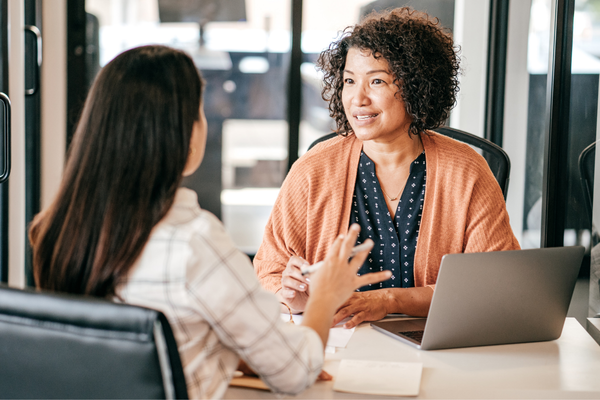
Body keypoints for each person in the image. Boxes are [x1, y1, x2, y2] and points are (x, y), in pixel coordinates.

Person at [28, 45, 390, 399]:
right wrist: (325, 296)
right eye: (199, 112)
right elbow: (296, 372)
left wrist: (238, 353)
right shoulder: (194, 242)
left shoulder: (56, 230)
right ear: (182, 135)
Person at [254, 7, 520, 329]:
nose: (357, 98)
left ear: (415, 85)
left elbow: (492, 284)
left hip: (436, 342)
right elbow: (270, 271)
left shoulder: (466, 170)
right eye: (349, 81)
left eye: (376, 80)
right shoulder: (313, 169)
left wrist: (390, 301)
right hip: (335, 339)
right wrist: (292, 295)